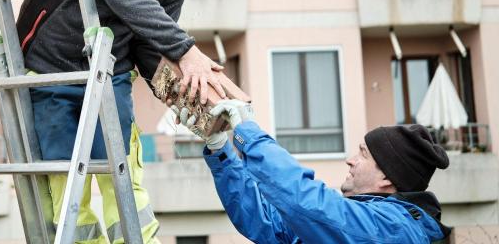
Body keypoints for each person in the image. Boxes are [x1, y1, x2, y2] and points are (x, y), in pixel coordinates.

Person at [16, 0, 250, 244]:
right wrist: (187, 52)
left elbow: (148, 45)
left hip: (111, 73)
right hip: (51, 68)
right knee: (65, 183)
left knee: (123, 175)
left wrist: (179, 95)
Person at [189, 100, 451, 243]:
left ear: (386, 177)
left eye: (363, 154)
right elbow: (269, 225)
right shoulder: (360, 223)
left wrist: (249, 134)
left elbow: (308, 203)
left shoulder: (396, 229)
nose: (350, 161)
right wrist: (220, 148)